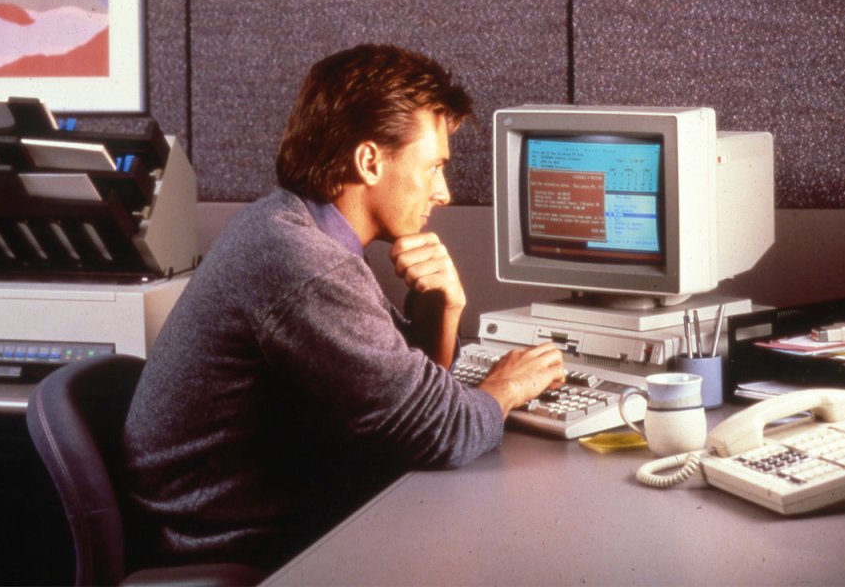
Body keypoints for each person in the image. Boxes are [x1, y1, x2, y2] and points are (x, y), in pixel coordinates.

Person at [123, 44, 564, 571]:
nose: (443, 192)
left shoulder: (290, 224)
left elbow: (404, 401)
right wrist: (506, 387)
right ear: (370, 160)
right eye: (433, 168)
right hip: (227, 542)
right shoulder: (307, 264)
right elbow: (440, 431)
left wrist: (441, 311)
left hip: (225, 516)